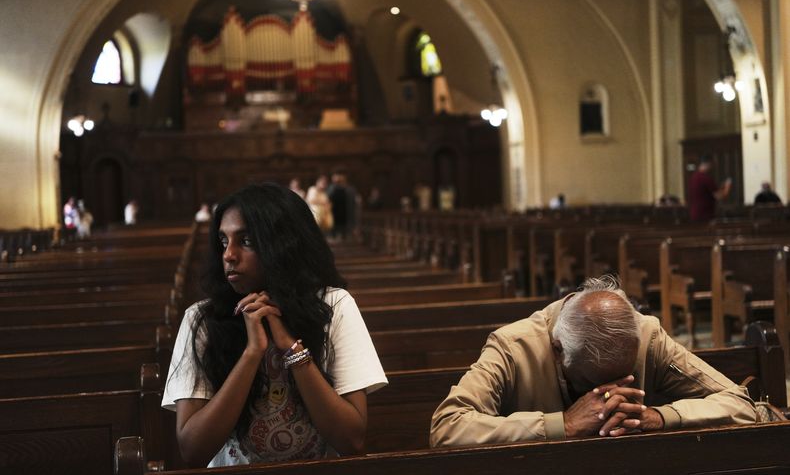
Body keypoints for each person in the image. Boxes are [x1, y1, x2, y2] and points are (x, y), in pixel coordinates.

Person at [162, 183, 387, 467]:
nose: (228, 255)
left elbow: (351, 440)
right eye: (223, 241)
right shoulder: (201, 319)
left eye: (246, 241)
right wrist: (252, 353)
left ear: (284, 245)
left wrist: (291, 348)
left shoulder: (334, 306)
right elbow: (193, 450)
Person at [430, 275, 756, 447]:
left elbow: (741, 404)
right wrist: (564, 425)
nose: (609, 401)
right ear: (558, 350)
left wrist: (659, 417)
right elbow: (448, 427)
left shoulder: (647, 335)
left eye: (624, 380)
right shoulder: (513, 348)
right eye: (592, 385)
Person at [688, 155, 731, 221]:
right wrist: (728, 186)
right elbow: (720, 196)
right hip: (705, 216)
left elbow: (706, 194)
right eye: (713, 164)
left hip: (694, 214)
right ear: (709, 163)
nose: (713, 167)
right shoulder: (706, 179)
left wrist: (721, 188)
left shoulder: (693, 177)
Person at [327, 172, 348, 239]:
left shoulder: (345, 188)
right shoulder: (331, 187)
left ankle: (342, 236)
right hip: (333, 209)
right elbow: (328, 197)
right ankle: (334, 235)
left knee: (342, 225)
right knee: (334, 224)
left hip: (343, 209)